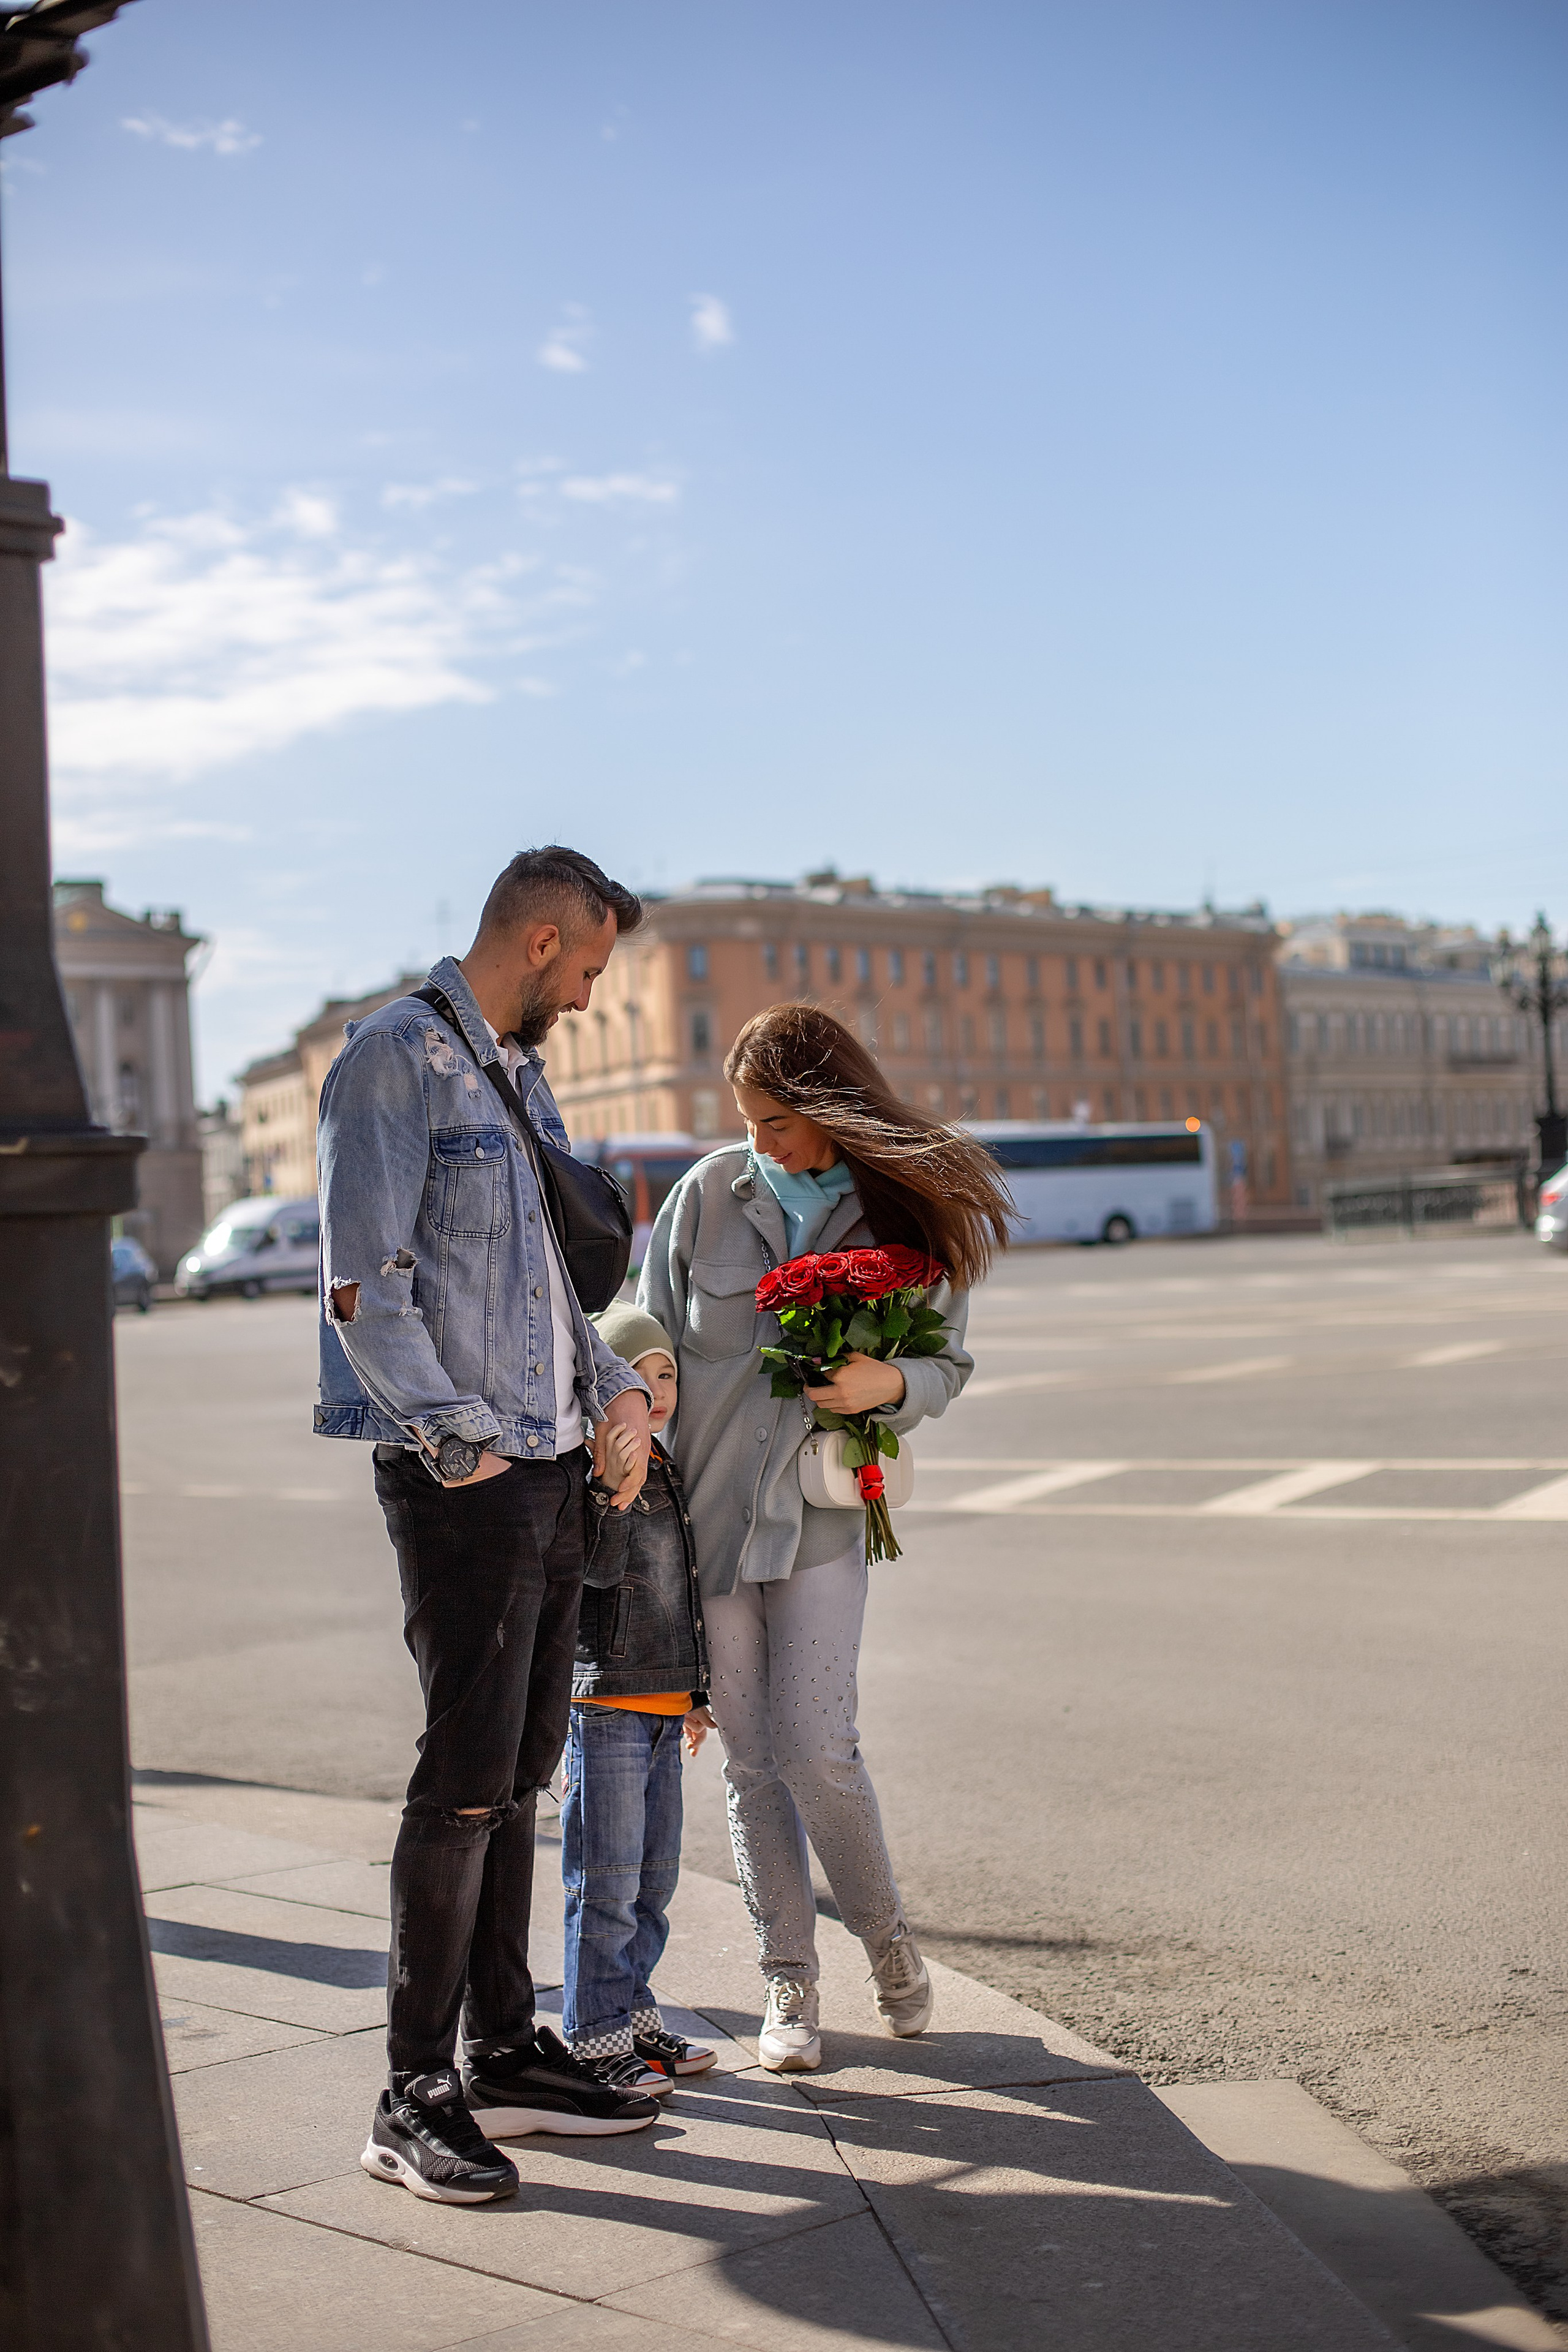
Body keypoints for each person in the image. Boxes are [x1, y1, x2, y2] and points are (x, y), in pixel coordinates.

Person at [315, 845, 663, 2206]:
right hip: (467, 1477)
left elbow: (538, 1295)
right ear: (536, 940)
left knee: (520, 1774)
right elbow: (362, 1286)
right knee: (460, 1783)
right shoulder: (392, 1059)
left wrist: (616, 1388)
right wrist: (459, 1449)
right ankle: (411, 2095)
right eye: (583, 969)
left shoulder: (514, 1073)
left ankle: (505, 2051)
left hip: (552, 1462)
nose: (583, 998)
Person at [639, 1002, 1011, 2071]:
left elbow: (947, 1366)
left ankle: (890, 1947)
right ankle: (787, 1990)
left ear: (833, 1108)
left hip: (818, 1519)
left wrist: (884, 1381)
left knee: (817, 1747)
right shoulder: (708, 1196)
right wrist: (628, 1394)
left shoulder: (899, 1215)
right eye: (750, 1121)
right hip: (707, 1523)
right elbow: (642, 1318)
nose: (761, 1140)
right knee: (751, 1762)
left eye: (778, 1122)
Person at [559, 1301, 720, 2094]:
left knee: (655, 1880)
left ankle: (634, 2008)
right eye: (638, 1375)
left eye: (668, 1375)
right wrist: (611, 1494)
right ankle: (594, 2035)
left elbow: (681, 1591)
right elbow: (590, 1574)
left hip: (663, 1708)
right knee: (607, 1881)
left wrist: (697, 1693)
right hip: (609, 1707)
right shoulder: (599, 1471)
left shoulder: (669, 1468)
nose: (656, 1389)